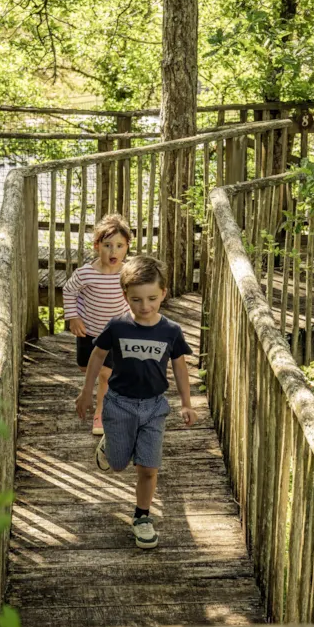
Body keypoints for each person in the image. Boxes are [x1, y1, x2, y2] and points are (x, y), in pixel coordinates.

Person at [75, 255, 198, 549]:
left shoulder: (170, 331)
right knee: (118, 465)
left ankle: (142, 516)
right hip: (118, 404)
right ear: (125, 296)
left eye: (152, 298)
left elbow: (179, 366)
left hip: (154, 407)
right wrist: (86, 391)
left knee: (148, 468)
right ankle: (110, 443)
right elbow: (97, 356)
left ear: (164, 293)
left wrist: (186, 402)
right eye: (137, 300)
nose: (145, 307)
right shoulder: (117, 327)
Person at [63, 213, 131, 436]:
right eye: (107, 245)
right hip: (88, 332)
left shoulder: (128, 273)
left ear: (127, 247)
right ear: (96, 246)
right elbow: (69, 291)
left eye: (119, 246)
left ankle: (101, 413)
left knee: (105, 375)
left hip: (114, 335)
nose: (113, 252)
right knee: (85, 367)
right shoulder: (86, 274)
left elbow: (136, 295)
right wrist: (74, 317)